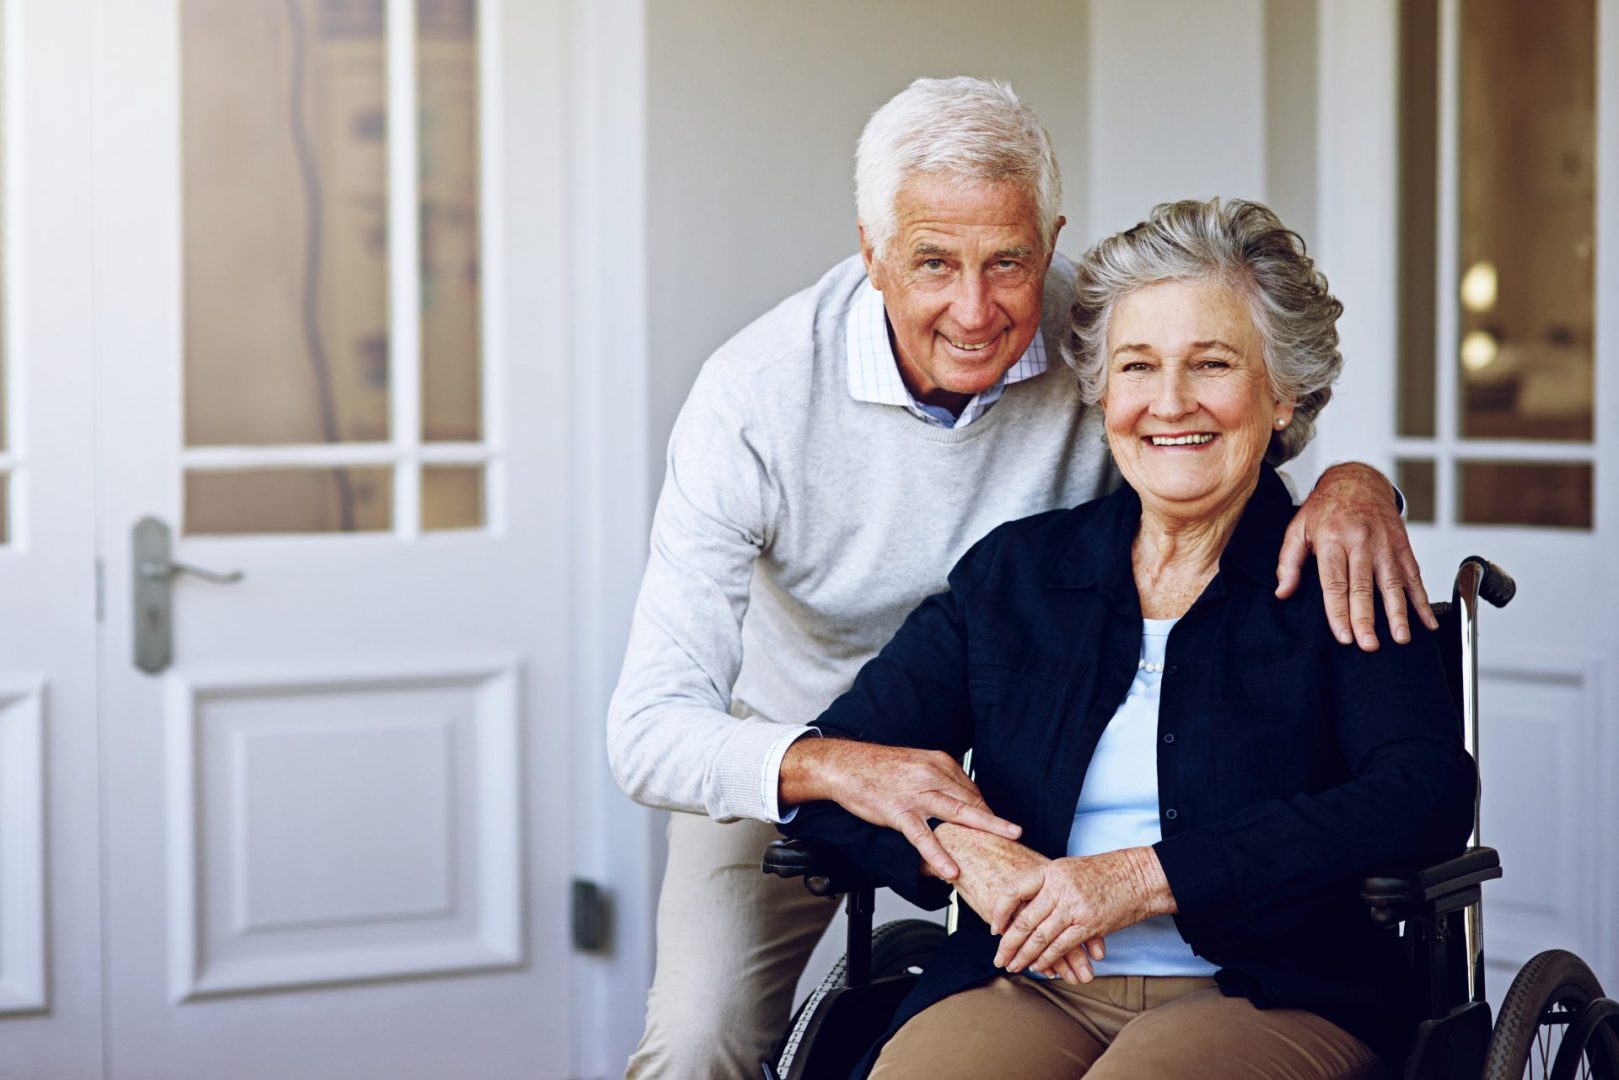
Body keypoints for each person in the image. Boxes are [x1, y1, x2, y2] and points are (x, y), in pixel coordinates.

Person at [608, 78, 1433, 1079]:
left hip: (1233, 957)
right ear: (869, 253)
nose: (973, 305)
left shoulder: (1123, 337)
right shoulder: (761, 402)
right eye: (930, 262)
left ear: (1047, 243)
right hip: (801, 742)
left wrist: (1356, 485)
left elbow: (1218, 442)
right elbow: (652, 732)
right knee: (700, 1041)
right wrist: (873, 790)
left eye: (1006, 261)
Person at [780, 197, 1476, 1079]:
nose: (1169, 402)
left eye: (1212, 363)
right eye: (1137, 365)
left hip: (1267, 990)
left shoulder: (1340, 566)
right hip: (1025, 980)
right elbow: (841, 764)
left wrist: (1146, 876)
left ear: (1282, 391)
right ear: (1101, 390)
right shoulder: (1017, 577)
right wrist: (966, 860)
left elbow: (1420, 792)